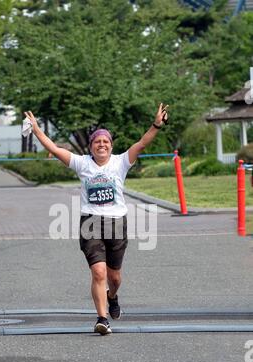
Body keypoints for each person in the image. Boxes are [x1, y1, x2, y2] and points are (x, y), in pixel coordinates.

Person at [24, 104, 169, 335]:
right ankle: (102, 319)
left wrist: (156, 125)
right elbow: (53, 147)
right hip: (90, 224)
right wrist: (37, 130)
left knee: (114, 276)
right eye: (97, 142)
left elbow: (142, 143)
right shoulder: (82, 163)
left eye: (106, 142)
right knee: (99, 272)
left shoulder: (121, 162)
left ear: (111, 146)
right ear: (91, 147)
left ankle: (113, 296)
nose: (102, 145)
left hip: (116, 223)